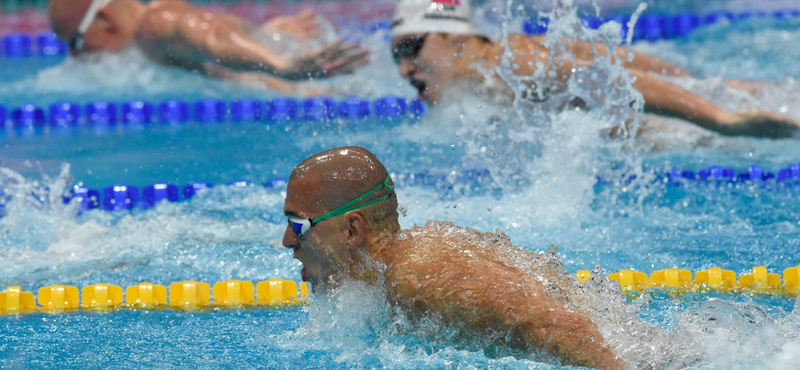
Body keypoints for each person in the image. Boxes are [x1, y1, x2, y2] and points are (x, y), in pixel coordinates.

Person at [282, 146, 641, 370]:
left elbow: (562, 327)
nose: (287, 241)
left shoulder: (417, 276)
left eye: (298, 225)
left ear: (352, 231)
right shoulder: (391, 272)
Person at [389, 0, 800, 139]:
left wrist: (720, 119)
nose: (405, 68)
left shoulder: (507, 66)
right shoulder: (499, 62)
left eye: (411, 47)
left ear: (458, 38)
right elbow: (630, 64)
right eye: (396, 56)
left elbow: (612, 78)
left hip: (678, 130)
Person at [47, 0, 368, 88]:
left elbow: (206, 33)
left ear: (105, 21)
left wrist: (282, 65)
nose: (74, 56)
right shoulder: (156, 42)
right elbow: (211, 35)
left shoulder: (153, 24)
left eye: (75, 41)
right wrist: (265, 35)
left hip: (312, 87)